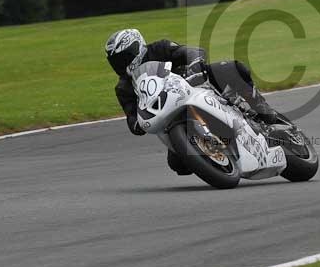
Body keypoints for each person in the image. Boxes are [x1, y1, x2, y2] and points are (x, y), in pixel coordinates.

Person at [105, 28, 280, 174]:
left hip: (195, 85)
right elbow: (131, 118)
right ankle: (215, 150)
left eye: (124, 57)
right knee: (178, 165)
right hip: (168, 116)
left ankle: (261, 108)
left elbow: (189, 51)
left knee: (234, 68)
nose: (121, 65)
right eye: (116, 62)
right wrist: (137, 124)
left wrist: (195, 62)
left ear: (137, 47)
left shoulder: (159, 48)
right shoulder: (123, 88)